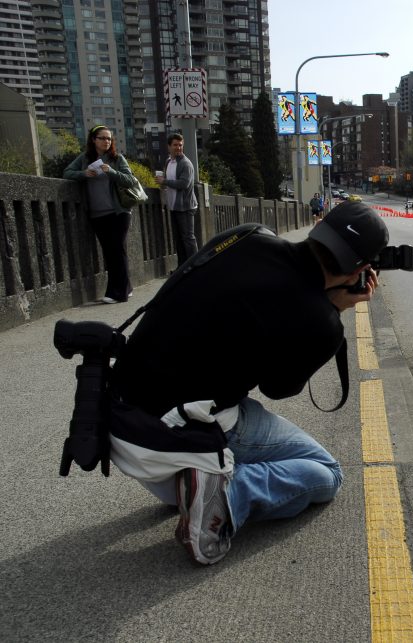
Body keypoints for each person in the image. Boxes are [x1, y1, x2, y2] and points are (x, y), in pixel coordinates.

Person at [111, 201, 389, 565]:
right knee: (327, 474)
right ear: (361, 270)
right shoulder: (320, 320)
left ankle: (191, 481)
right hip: (184, 427)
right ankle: (227, 495)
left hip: (122, 411)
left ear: (319, 226)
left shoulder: (247, 235)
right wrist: (333, 311)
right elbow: (278, 387)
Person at [63, 125, 138, 304]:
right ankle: (126, 288)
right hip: (97, 214)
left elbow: (130, 180)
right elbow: (67, 172)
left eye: (109, 139)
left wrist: (110, 171)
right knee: (110, 251)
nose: (106, 141)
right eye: (102, 138)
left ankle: (116, 294)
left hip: (118, 212)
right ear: (93, 140)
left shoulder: (117, 158)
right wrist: (84, 173)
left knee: (117, 250)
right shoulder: (85, 158)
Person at [157, 133, 199, 267]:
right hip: (174, 206)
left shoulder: (186, 164)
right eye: (175, 145)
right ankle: (182, 268)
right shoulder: (168, 162)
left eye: (180, 145)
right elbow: (168, 181)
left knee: (188, 239)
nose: (178, 148)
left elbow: (184, 184)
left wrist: (165, 181)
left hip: (185, 207)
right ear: (169, 146)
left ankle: (195, 268)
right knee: (179, 240)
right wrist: (162, 182)